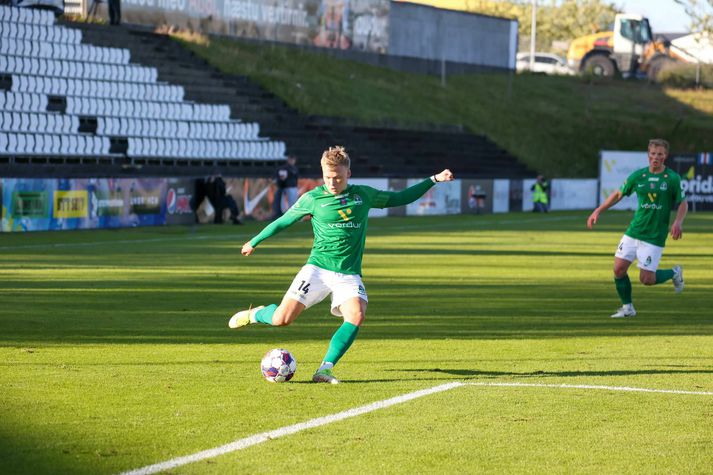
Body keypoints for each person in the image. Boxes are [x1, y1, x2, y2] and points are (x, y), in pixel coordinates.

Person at [229, 145, 455, 383]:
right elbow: (283, 221)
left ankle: (324, 369)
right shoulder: (313, 199)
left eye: (337, 177)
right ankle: (255, 314)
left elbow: (401, 198)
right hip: (317, 269)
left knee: (356, 315)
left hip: (348, 274)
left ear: (348, 173)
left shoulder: (364, 195)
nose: (332, 182)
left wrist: (434, 179)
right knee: (282, 320)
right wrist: (254, 241)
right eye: (327, 177)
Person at [587, 138, 688, 318]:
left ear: (666, 156)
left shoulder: (672, 178)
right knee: (618, 269)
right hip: (634, 231)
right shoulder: (638, 176)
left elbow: (682, 203)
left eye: (660, 154)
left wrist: (678, 222)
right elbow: (619, 194)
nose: (655, 157)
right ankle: (628, 308)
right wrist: (598, 210)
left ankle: (674, 272)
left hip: (654, 235)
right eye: (652, 154)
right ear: (648, 155)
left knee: (646, 279)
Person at [272, 155, 299, 219]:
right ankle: (290, 216)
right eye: (291, 159)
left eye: (293, 159)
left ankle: (294, 216)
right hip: (287, 187)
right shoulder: (285, 168)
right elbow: (282, 178)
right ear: (288, 160)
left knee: (294, 202)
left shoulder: (294, 168)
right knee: (289, 203)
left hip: (294, 187)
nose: (292, 161)